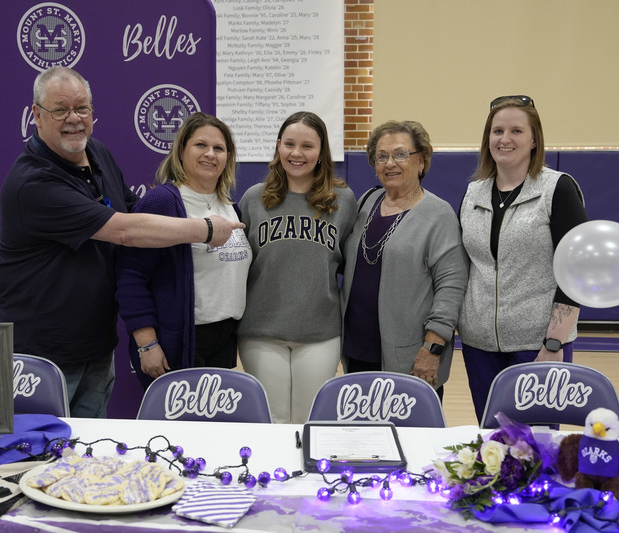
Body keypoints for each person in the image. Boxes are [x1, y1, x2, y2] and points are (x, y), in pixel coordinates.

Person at [0, 67, 243, 418]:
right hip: (40, 356)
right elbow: (124, 230)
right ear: (36, 115)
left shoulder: (98, 155)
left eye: (82, 108)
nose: (73, 119)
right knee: (36, 459)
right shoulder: (32, 183)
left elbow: (131, 211)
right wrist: (204, 230)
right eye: (60, 109)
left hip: (96, 345)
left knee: (87, 459)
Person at [457, 95, 588, 423]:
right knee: (493, 441)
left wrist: (554, 342)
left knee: (537, 446)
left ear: (534, 139)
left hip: (538, 344)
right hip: (479, 345)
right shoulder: (473, 192)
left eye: (516, 131)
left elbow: (575, 270)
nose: (505, 139)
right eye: (497, 131)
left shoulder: (557, 189)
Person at [238, 111, 357, 424]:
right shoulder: (254, 198)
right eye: (289, 144)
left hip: (320, 332)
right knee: (272, 421)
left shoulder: (343, 201)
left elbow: (350, 261)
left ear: (321, 152)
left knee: (310, 421)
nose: (297, 153)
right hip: (261, 331)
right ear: (278, 146)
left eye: (307, 145)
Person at [116, 113, 251, 389]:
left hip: (224, 338)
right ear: (181, 150)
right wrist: (146, 343)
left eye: (219, 148)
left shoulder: (230, 206)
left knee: (213, 429)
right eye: (200, 145)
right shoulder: (163, 201)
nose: (210, 154)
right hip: (178, 343)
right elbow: (130, 275)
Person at [340, 120, 468, 400]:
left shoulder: (438, 214)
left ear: (421, 161)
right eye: (381, 156)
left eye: (400, 154)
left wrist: (432, 349)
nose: (389, 163)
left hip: (410, 358)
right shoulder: (366, 202)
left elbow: (452, 286)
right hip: (358, 350)